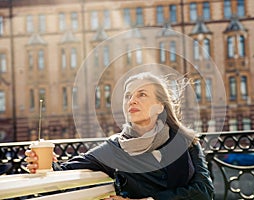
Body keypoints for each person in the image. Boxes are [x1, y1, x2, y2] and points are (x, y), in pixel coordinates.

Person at [25, 72, 214, 200]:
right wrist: (44, 163)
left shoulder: (185, 140)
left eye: (142, 94)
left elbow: (205, 191)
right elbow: (64, 170)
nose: (132, 100)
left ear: (160, 106)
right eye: (128, 96)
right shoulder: (114, 149)